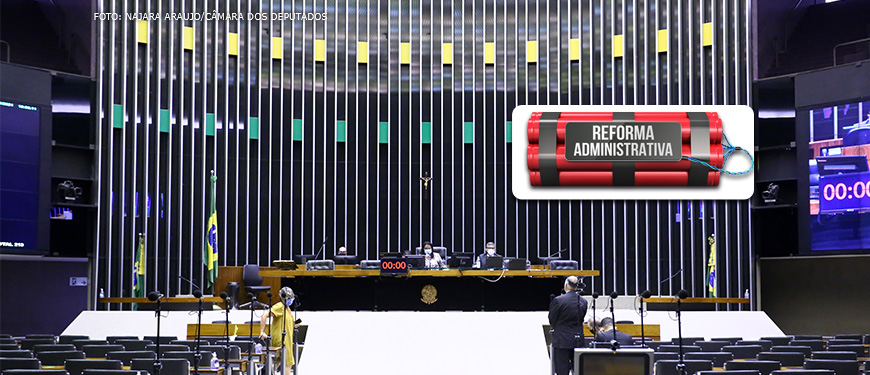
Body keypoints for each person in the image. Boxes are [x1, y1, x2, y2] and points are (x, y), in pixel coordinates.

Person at [548, 276, 588, 375]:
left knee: (562, 370)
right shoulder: (583, 301)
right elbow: (581, 318)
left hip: (562, 340)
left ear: (566, 285)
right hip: (578, 340)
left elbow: (552, 319)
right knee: (578, 369)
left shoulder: (558, 300)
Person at [260, 287, 297, 374]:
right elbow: (264, 316)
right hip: (281, 340)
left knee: (279, 363)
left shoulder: (287, 308)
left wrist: (295, 325)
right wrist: (262, 331)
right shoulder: (279, 306)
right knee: (287, 363)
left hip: (287, 339)